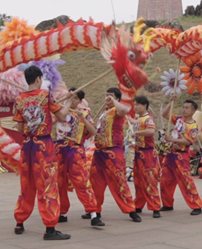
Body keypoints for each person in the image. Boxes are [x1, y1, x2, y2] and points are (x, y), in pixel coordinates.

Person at [12, 65, 72, 240]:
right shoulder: (45, 95)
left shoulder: (19, 99)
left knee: (26, 184)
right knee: (47, 184)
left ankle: (19, 221)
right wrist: (68, 103)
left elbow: (20, 127)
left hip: (27, 146)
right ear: (38, 79)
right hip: (44, 146)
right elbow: (61, 117)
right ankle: (50, 228)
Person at [91, 87, 141, 222]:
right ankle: (95, 210)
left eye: (111, 95)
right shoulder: (104, 113)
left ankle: (131, 209)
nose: (107, 97)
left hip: (114, 151)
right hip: (99, 153)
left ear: (117, 99)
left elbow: (124, 110)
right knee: (96, 183)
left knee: (119, 182)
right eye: (106, 95)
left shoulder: (118, 111)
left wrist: (113, 100)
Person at [55, 90, 104, 227]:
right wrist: (65, 100)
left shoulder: (84, 113)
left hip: (75, 149)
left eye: (76, 98)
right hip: (59, 149)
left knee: (81, 181)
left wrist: (83, 118)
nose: (73, 100)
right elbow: (54, 119)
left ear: (81, 100)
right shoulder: (60, 110)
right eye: (71, 97)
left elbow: (94, 132)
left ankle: (93, 213)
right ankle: (62, 212)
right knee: (59, 182)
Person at [160, 99, 202, 215]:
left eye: (187, 108)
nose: (184, 109)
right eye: (183, 107)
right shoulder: (179, 119)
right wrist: (171, 101)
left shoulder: (193, 126)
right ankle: (167, 204)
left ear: (193, 110)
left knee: (186, 181)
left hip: (181, 156)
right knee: (165, 181)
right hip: (170, 154)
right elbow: (164, 114)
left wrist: (172, 139)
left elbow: (189, 141)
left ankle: (196, 205)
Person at [130, 96, 161, 218]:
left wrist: (137, 133)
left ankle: (155, 207)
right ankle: (138, 204)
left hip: (147, 153)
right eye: (135, 104)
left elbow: (151, 131)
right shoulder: (139, 118)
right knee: (138, 180)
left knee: (150, 180)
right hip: (139, 153)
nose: (135, 107)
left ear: (145, 105)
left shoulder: (148, 119)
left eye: (138, 104)